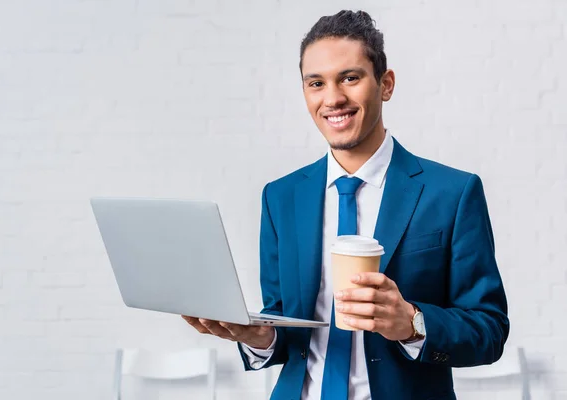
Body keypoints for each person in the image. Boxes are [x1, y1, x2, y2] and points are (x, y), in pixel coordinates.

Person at [183, 9, 509, 400]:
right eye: (316, 83)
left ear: (385, 84)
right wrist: (261, 336)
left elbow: (488, 330)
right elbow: (286, 322)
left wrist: (413, 323)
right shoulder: (280, 197)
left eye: (350, 78)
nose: (333, 98)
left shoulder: (452, 193)